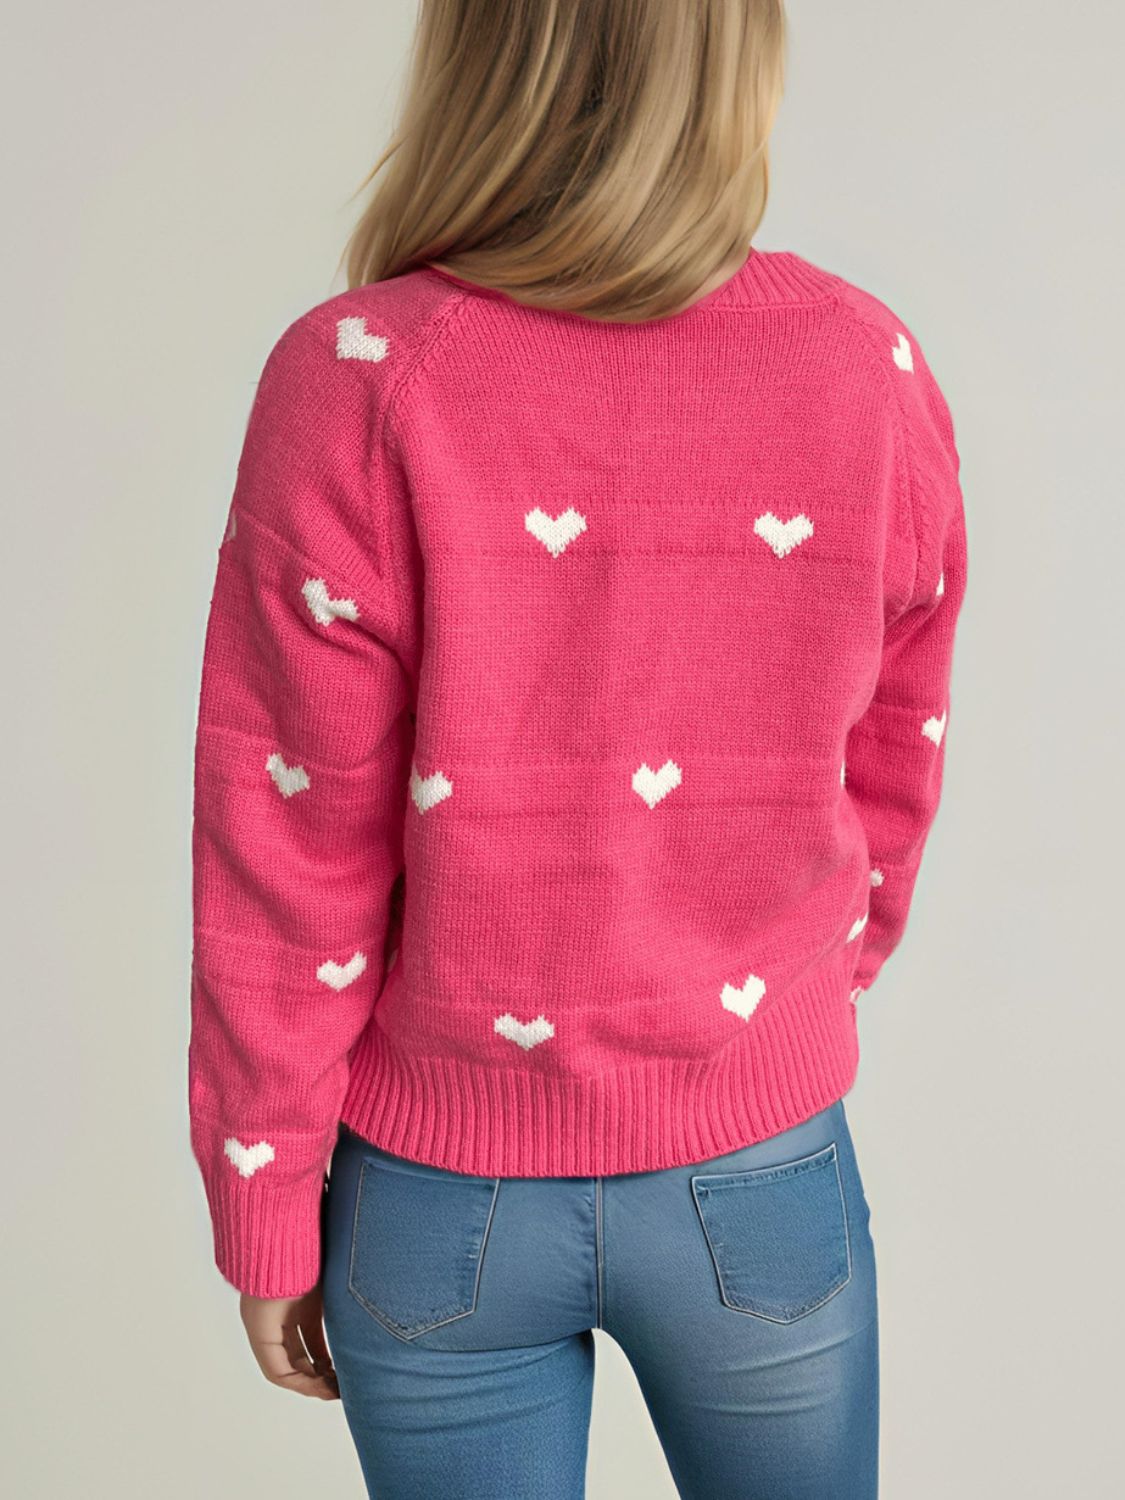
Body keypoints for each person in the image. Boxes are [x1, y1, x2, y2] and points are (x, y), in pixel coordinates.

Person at [187, 2, 968, 1494]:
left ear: (475, 57)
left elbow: (284, 839)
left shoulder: (358, 371)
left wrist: (267, 1195)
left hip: (436, 1198)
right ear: (736, 65)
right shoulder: (861, 365)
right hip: (758, 1167)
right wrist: (789, 992)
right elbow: (895, 745)